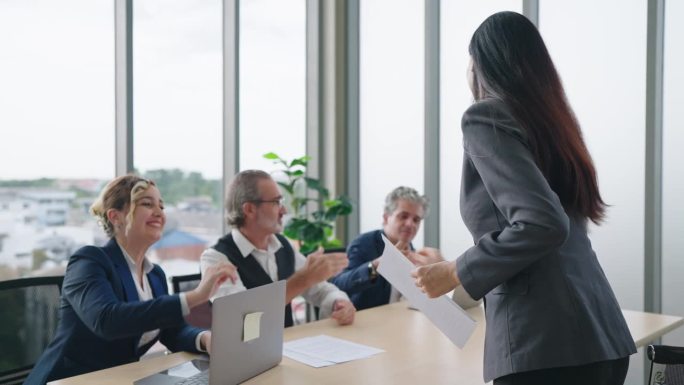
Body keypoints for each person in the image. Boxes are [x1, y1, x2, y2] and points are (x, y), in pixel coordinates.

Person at [411, 11, 636, 385]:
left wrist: (454, 272)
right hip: (601, 335)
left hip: (543, 345)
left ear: (481, 64)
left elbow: (542, 223)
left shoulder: (485, 118)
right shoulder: (554, 122)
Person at [26, 175, 236, 385]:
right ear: (115, 216)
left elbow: (173, 331)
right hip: (70, 380)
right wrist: (196, 296)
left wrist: (205, 339)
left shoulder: (155, 275)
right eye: (147, 204)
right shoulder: (89, 260)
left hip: (121, 380)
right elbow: (108, 320)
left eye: (161, 206)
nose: (159, 212)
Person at [200, 170, 356, 327]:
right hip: (247, 351)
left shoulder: (283, 245)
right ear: (249, 209)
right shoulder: (215, 258)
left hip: (289, 345)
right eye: (276, 202)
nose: (284, 210)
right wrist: (303, 279)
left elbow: (321, 290)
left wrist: (339, 302)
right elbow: (241, 316)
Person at [332, 186, 455, 310]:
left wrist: (440, 269)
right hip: (368, 320)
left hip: (400, 318)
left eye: (416, 220)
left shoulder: (412, 251)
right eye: (403, 216)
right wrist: (376, 265)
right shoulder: (364, 243)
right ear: (386, 218)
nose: (410, 224)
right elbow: (338, 284)